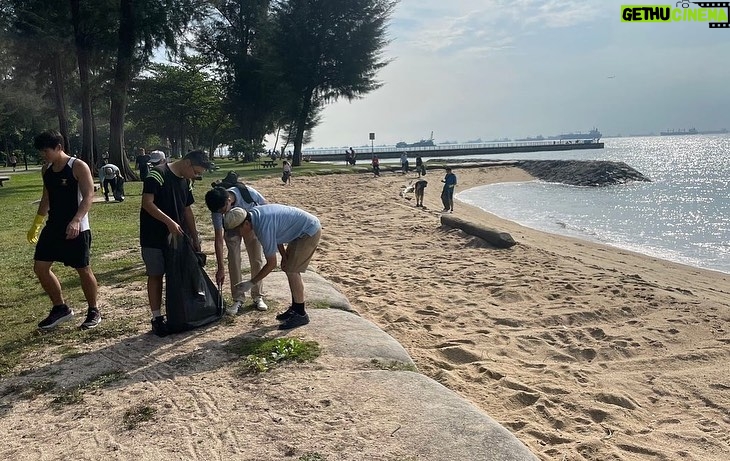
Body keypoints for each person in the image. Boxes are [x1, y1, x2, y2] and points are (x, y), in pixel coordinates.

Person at [28, 129, 101, 330]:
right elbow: (46, 197)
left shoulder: (78, 166)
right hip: (54, 226)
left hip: (78, 227)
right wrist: (37, 223)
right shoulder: (46, 170)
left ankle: (93, 310)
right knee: (40, 268)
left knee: (83, 269)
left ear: (59, 147)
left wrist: (77, 220)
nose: (44, 155)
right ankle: (60, 308)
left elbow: (88, 196)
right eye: (41, 152)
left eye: (46, 151)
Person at [140, 150, 210, 336]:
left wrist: (195, 237)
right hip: (153, 236)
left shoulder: (186, 182)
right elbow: (147, 203)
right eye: (196, 172)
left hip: (178, 237)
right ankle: (157, 318)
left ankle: (181, 313)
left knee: (177, 275)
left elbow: (187, 210)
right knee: (155, 275)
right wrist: (169, 222)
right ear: (187, 163)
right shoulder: (158, 174)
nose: (196, 176)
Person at [223, 204, 321, 330]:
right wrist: (284, 256)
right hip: (300, 231)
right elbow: (277, 235)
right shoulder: (255, 215)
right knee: (288, 267)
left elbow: (271, 264)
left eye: (237, 231)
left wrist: (251, 283)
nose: (238, 235)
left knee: (292, 271)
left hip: (309, 231)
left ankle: (301, 314)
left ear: (246, 224)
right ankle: (295, 308)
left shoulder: (262, 228)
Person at [204, 183, 268, 315]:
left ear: (228, 200)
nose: (222, 213)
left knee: (256, 259)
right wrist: (220, 267)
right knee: (233, 261)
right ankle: (238, 298)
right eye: (219, 213)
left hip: (251, 226)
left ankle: (257, 295)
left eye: (223, 211)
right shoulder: (217, 208)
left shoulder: (248, 194)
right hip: (231, 230)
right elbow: (218, 238)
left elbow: (266, 207)